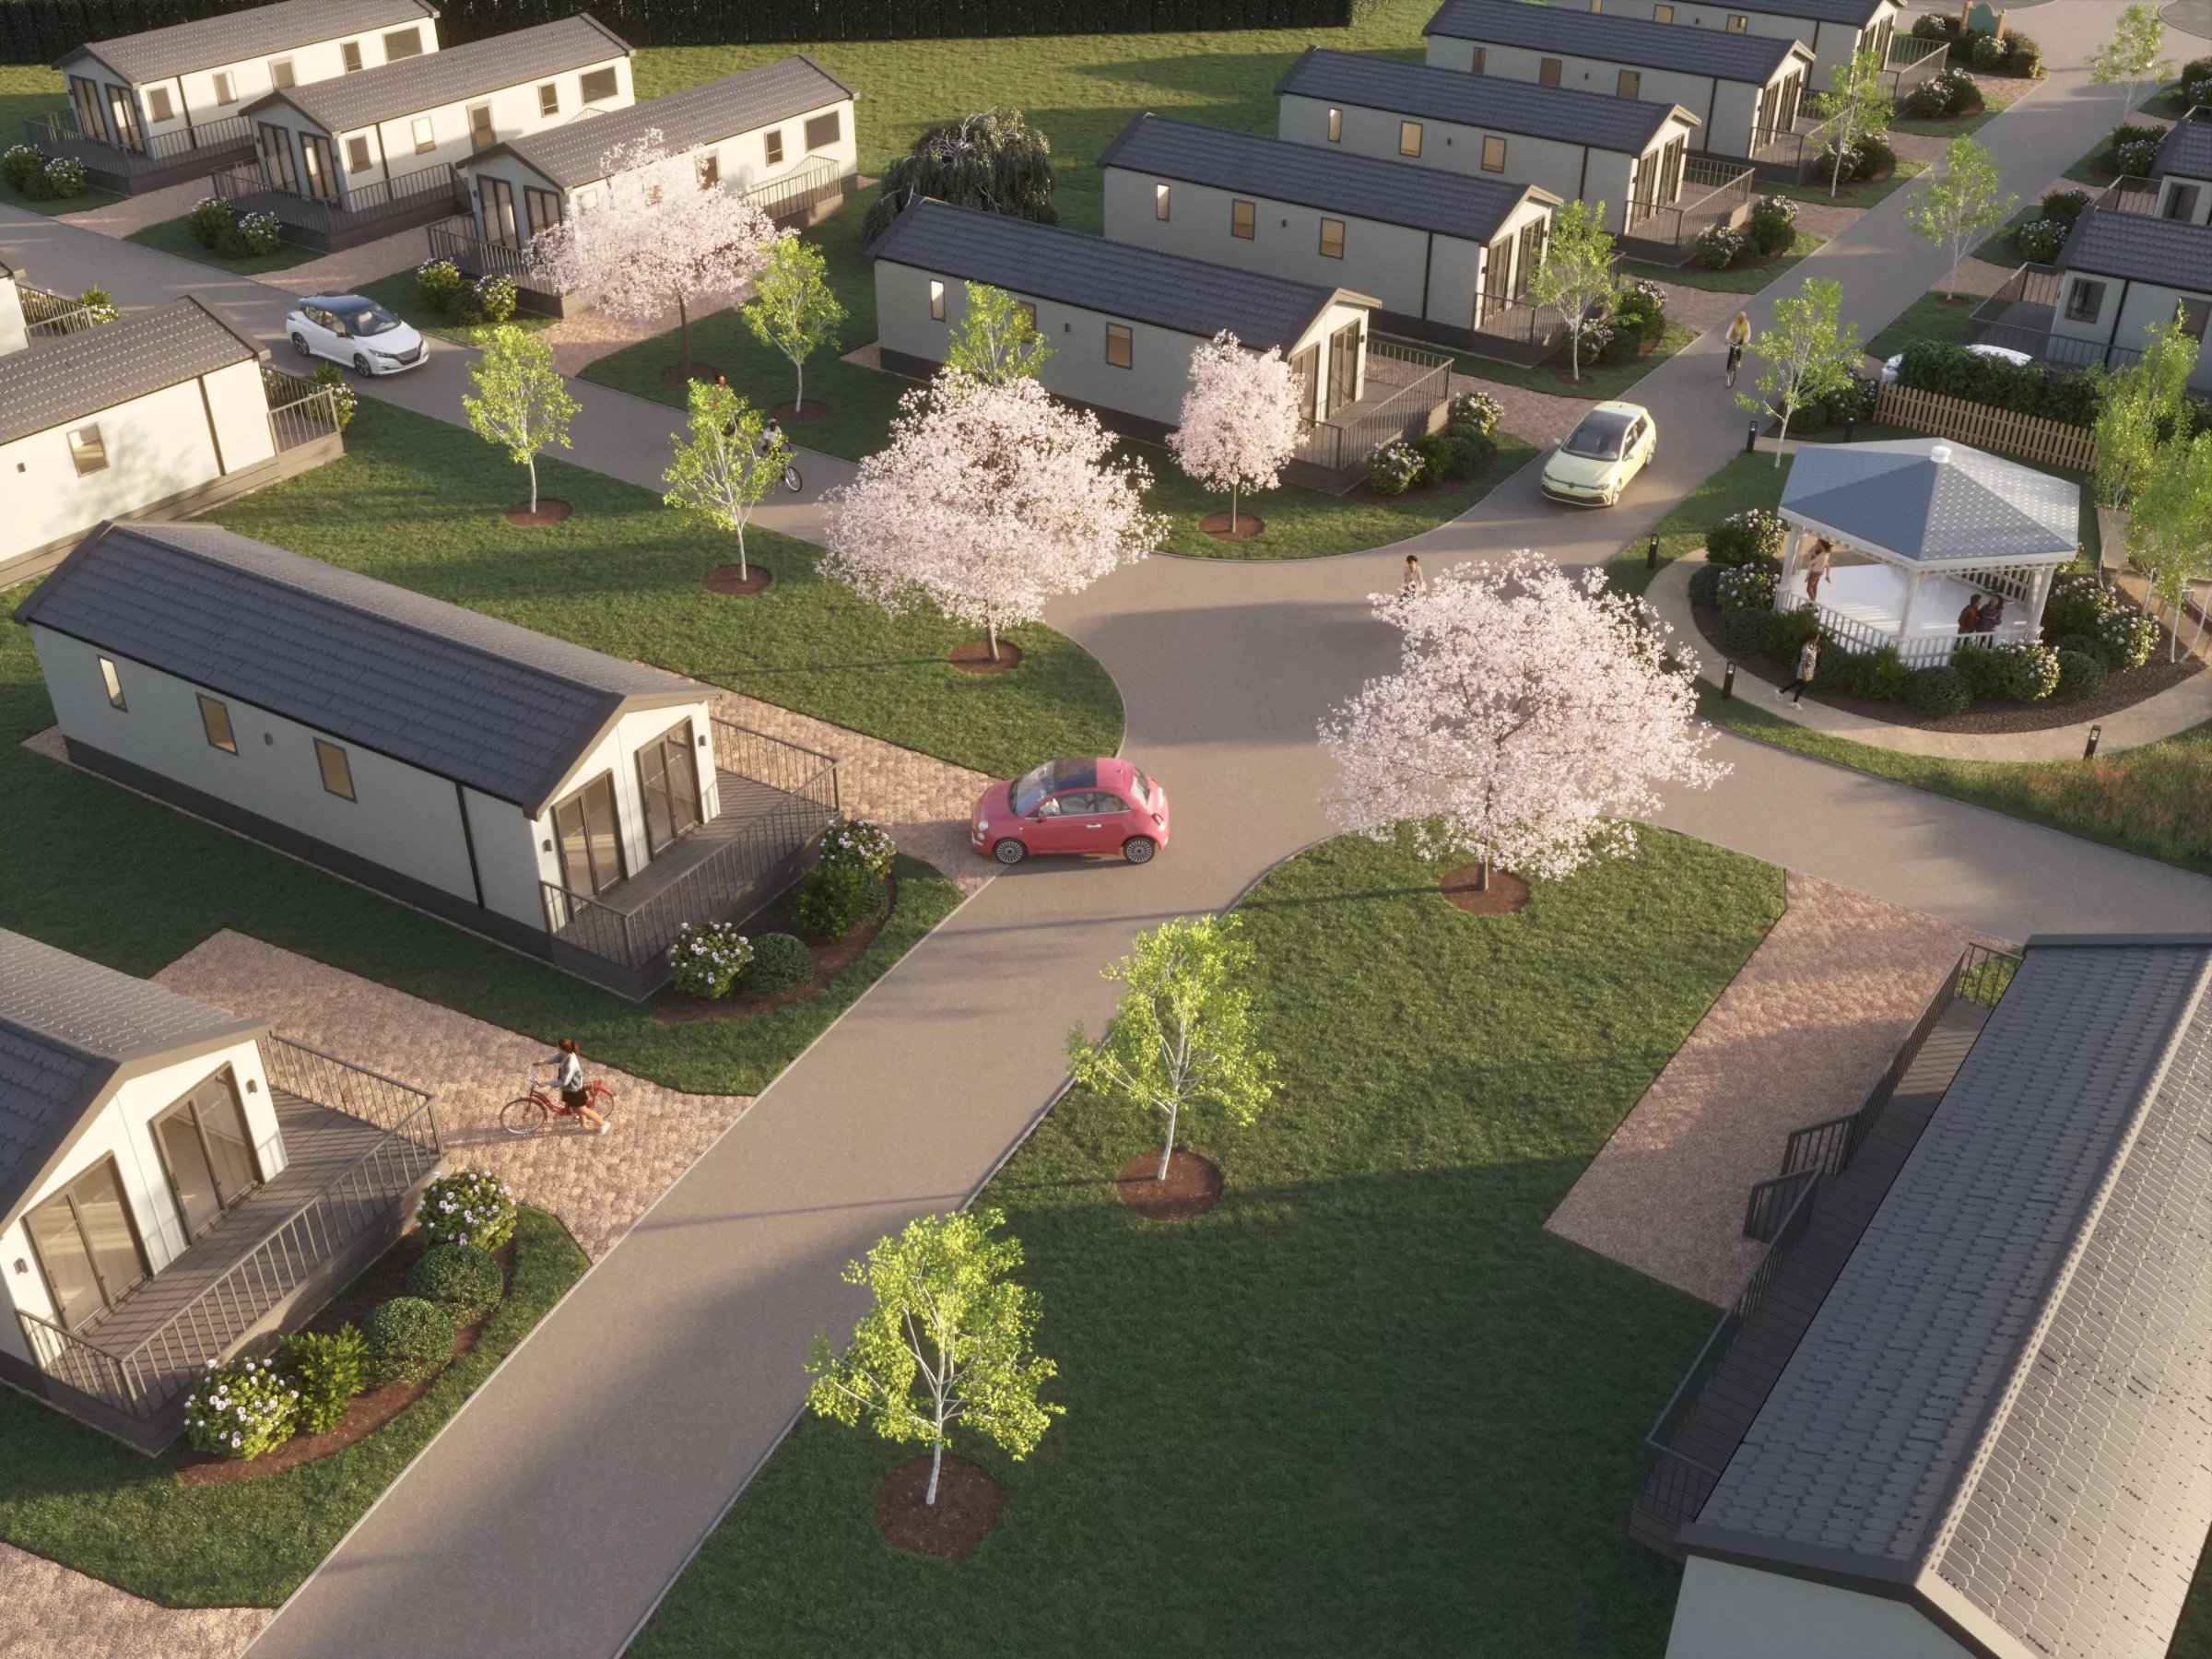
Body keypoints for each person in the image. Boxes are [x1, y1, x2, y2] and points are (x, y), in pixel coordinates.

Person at [548, 1038, 609, 1135]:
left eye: (558, 1047)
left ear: (563, 1050)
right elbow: (556, 1057)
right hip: (569, 1089)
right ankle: (583, 1126)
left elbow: (565, 1081)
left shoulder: (571, 1063)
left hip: (575, 1090)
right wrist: (542, 1062)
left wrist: (548, 1083)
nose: (557, 1047)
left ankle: (603, 1124)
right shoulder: (565, 1055)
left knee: (581, 1109)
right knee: (577, 1108)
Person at [1775, 630, 1820, 708]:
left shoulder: (1813, 645)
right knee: (1802, 686)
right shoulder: (1805, 649)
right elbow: (1803, 663)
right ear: (1813, 638)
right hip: (1805, 671)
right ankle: (1794, 701)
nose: (1818, 639)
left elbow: (1813, 651)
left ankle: (1780, 692)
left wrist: (1817, 649)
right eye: (1817, 637)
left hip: (1810, 670)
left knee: (1797, 683)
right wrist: (1805, 675)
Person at [1724, 311, 1750, 387]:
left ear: (1745, 318)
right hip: (1733, 340)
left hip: (1741, 340)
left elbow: (1749, 333)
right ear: (1738, 318)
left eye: (1743, 318)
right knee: (1731, 355)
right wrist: (1726, 338)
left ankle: (1738, 360)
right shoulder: (1734, 323)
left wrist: (1746, 341)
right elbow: (1729, 331)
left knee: (1739, 349)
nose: (1741, 320)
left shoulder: (1747, 323)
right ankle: (1727, 370)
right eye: (1740, 318)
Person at [1804, 539, 1832, 604]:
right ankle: (1812, 601)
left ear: (1823, 546)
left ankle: (1813, 604)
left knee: (1809, 589)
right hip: (1819, 571)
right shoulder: (1826, 554)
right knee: (1814, 586)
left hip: (1815, 571)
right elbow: (1826, 564)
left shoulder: (1822, 555)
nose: (1818, 546)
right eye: (1817, 544)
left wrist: (1807, 576)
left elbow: (1812, 562)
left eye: (1819, 545)